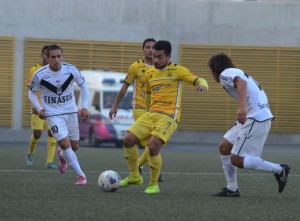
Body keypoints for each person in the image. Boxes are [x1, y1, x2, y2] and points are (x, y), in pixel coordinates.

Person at [119, 40, 208, 194]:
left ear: (168, 56)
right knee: (128, 139)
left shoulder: (178, 70)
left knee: (153, 146)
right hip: (151, 113)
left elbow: (198, 79)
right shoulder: (149, 73)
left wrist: (203, 85)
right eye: (154, 56)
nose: (156, 60)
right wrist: (147, 113)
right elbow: (148, 94)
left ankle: (154, 184)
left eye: (160, 57)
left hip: (169, 115)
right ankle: (135, 176)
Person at [207, 52, 290, 197]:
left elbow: (242, 83)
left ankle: (279, 169)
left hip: (255, 118)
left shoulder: (224, 74)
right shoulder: (235, 71)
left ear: (215, 68)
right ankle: (232, 189)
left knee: (236, 159)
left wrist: (241, 107)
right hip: (255, 115)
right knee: (224, 147)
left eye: (210, 70)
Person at [28, 44, 89, 185]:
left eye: (59, 56)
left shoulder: (71, 70)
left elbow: (84, 86)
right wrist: (39, 108)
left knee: (74, 146)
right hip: (52, 114)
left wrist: (84, 107)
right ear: (47, 58)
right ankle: (81, 176)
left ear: (63, 56)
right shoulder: (40, 74)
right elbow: (31, 93)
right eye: (53, 57)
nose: (56, 60)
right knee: (64, 143)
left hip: (71, 112)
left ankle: (61, 154)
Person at [109, 38, 163, 182]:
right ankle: (149, 167)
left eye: (153, 47)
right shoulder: (135, 67)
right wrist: (115, 106)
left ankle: (140, 165)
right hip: (140, 108)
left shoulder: (162, 67)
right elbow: (124, 88)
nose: (150, 50)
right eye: (147, 47)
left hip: (157, 110)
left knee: (154, 141)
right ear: (143, 50)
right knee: (148, 142)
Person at [25, 45, 58, 169]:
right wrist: (34, 105)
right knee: (37, 134)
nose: (47, 57)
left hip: (51, 108)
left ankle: (49, 161)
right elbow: (30, 90)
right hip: (38, 107)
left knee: (52, 133)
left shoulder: (55, 70)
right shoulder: (34, 70)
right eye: (45, 54)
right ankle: (30, 153)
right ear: (42, 55)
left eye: (49, 55)